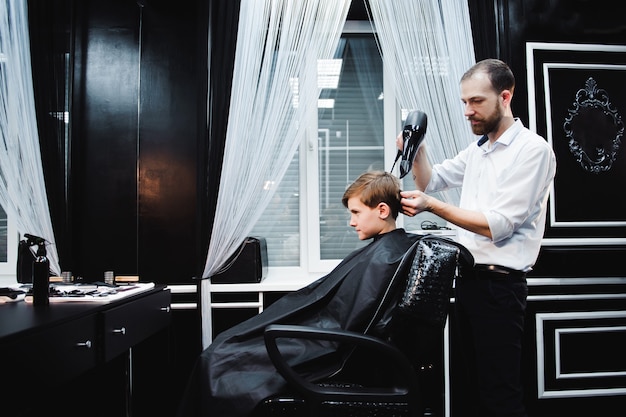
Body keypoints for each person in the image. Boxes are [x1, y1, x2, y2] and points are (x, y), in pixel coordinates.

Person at [177, 170, 420, 417]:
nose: (351, 222)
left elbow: (351, 324)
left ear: (382, 210)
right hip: (322, 337)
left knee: (218, 359)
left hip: (330, 347)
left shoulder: (386, 259)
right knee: (224, 349)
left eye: (356, 213)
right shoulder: (387, 252)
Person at [398, 58, 556, 417]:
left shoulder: (532, 151)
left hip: (500, 290)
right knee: (470, 393)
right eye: (464, 102)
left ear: (505, 96)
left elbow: (497, 225)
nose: (468, 111)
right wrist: (417, 147)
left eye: (477, 102)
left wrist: (432, 207)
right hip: (466, 282)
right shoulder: (478, 150)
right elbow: (430, 180)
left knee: (499, 396)